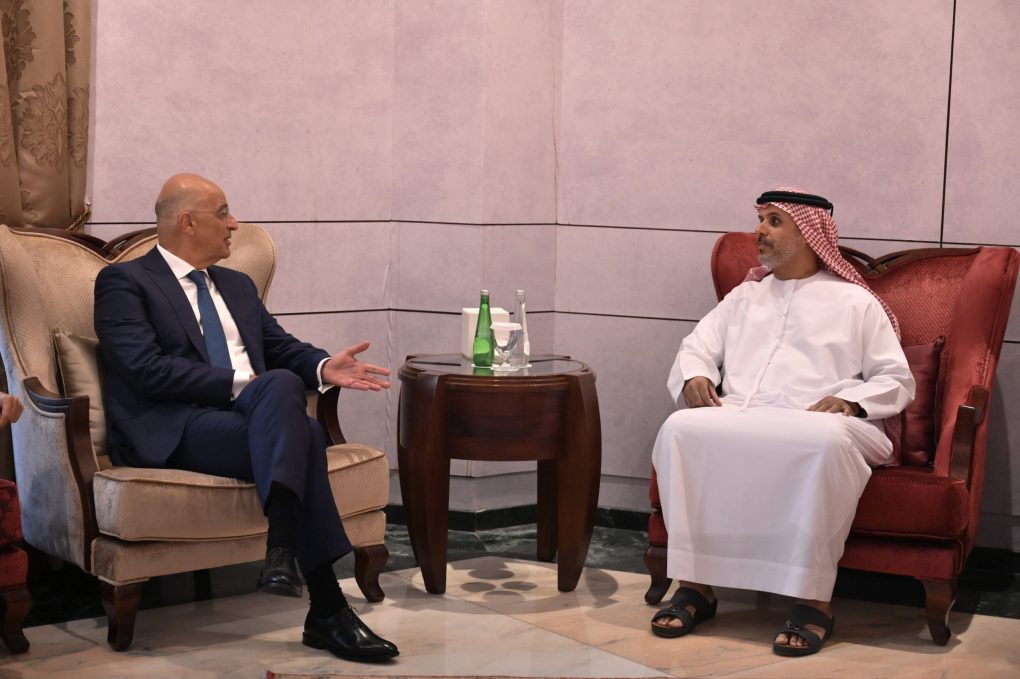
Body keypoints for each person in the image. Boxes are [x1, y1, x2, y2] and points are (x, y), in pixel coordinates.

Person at [94, 173, 398, 662]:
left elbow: (280, 348)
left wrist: (323, 366)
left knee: (282, 391)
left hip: (250, 421)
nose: (234, 224)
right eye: (223, 214)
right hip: (177, 426)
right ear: (188, 222)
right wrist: (242, 382)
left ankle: (290, 561)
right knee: (300, 426)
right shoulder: (125, 283)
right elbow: (144, 369)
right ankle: (324, 606)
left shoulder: (236, 285)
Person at [649, 188, 915, 657]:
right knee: (680, 429)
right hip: (744, 412)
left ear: (810, 235)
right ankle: (694, 586)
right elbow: (697, 347)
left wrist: (850, 400)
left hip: (823, 421)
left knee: (823, 442)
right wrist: (695, 375)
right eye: (761, 220)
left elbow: (895, 377)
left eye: (774, 221)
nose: (760, 231)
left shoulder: (855, 302)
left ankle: (813, 601)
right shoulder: (744, 296)